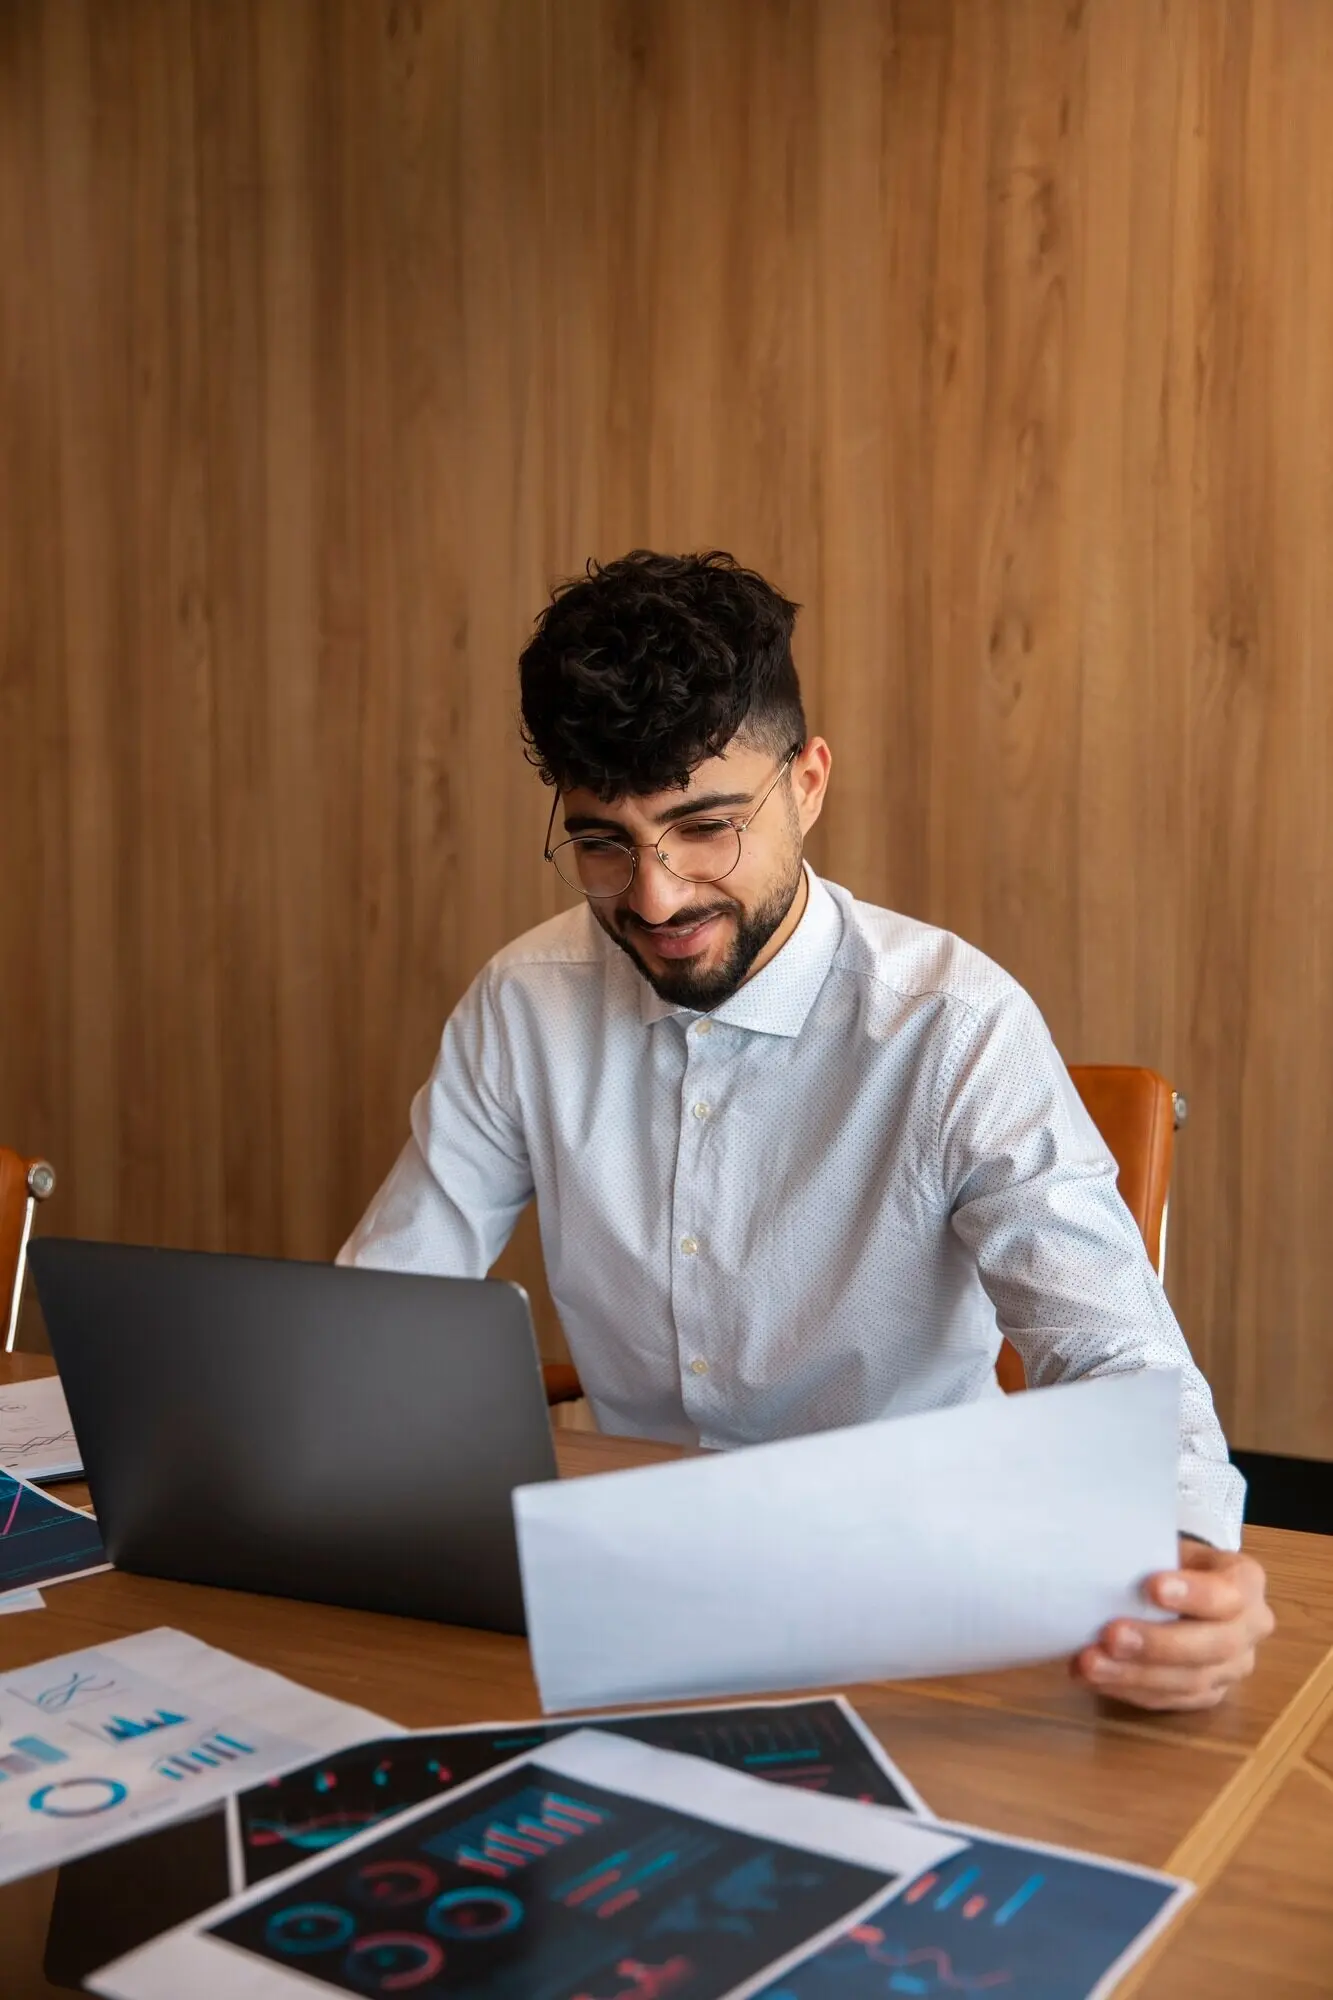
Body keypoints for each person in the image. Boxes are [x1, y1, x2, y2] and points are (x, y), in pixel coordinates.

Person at [341, 549, 1273, 1712]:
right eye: (603, 842)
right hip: (630, 1574)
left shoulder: (954, 1023)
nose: (657, 897)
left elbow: (1117, 1354)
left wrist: (1188, 1560)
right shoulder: (523, 999)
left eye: (706, 826)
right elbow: (385, 1310)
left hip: (916, 1592)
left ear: (809, 781)